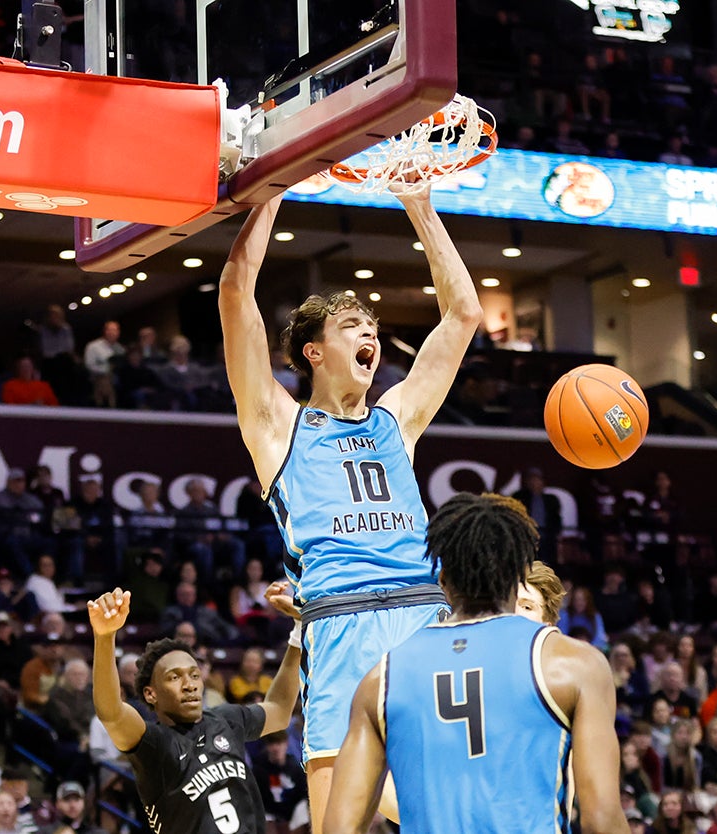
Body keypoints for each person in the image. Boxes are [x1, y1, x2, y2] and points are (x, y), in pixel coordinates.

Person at [218, 185, 482, 829]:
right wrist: (274, 186)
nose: (370, 335)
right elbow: (234, 291)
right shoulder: (277, 424)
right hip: (341, 622)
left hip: (424, 617)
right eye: (350, 328)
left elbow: (463, 316)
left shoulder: (397, 418)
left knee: (454, 795)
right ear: (314, 352)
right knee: (340, 817)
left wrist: (418, 204)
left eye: (373, 329)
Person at [322, 492, 627, 834]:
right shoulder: (574, 664)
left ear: (443, 582)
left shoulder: (381, 680)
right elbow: (602, 821)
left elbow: (339, 828)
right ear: (516, 577)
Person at [87, 585, 302, 834]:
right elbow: (111, 712)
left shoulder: (226, 719)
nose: (189, 685)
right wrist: (104, 638)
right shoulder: (154, 744)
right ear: (150, 693)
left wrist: (297, 632)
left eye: (194, 674)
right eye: (174, 677)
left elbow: (279, 709)